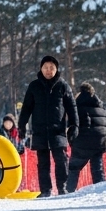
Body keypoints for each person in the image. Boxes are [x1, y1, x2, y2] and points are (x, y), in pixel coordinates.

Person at [18, 55, 78, 197]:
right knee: (43, 163)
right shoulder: (34, 86)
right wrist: (21, 125)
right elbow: (26, 107)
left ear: (56, 69)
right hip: (40, 131)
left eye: (51, 68)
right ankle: (46, 190)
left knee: (61, 160)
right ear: (41, 68)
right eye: (46, 67)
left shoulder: (63, 86)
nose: (48, 70)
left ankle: (62, 188)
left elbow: (72, 107)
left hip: (58, 131)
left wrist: (75, 125)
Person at [67, 83, 106, 192]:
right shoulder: (102, 109)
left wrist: (71, 141)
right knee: (98, 168)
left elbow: (71, 126)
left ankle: (67, 191)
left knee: (73, 168)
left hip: (81, 144)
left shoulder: (76, 108)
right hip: (99, 143)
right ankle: (101, 191)